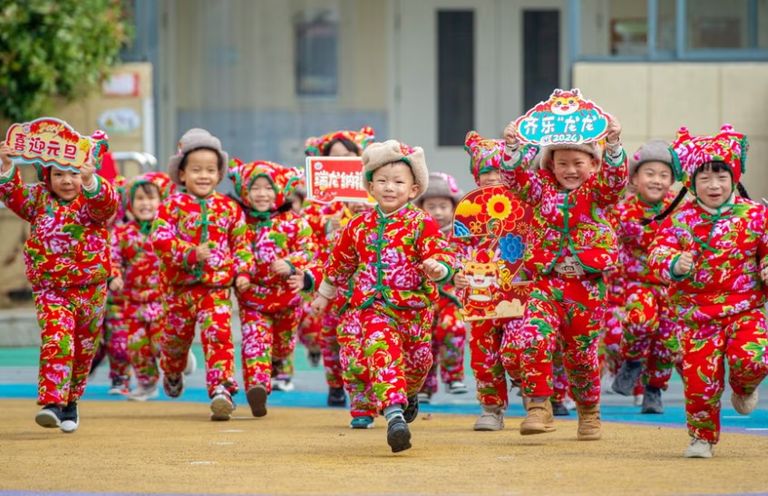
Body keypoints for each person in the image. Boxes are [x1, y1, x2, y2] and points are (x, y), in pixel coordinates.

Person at [311, 139, 457, 453]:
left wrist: (438, 267)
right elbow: (340, 263)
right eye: (382, 181)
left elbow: (441, 252)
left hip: (415, 308)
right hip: (373, 306)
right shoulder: (357, 226)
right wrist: (325, 293)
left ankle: (411, 391)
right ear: (371, 187)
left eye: (398, 182)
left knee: (418, 362)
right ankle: (394, 416)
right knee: (381, 350)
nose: (390, 187)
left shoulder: (421, 223)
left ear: (414, 189)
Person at [501, 116, 626, 441]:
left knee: (581, 355)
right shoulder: (540, 190)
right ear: (551, 165)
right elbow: (514, 179)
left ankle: (588, 411)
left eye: (578, 163)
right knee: (533, 338)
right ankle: (539, 406)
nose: (571, 170)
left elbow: (615, 181)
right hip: (547, 283)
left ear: (592, 163)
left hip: (587, 287)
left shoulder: (599, 191)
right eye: (563, 163)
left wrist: (612, 145)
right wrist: (513, 147)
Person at [649, 124, 768, 458]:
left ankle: (744, 388)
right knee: (700, 381)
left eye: (721, 176)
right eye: (704, 178)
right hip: (696, 315)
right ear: (691, 182)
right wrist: (674, 262)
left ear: (734, 177)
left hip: (746, 308)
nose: (714, 185)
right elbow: (657, 253)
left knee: (753, 359)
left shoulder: (756, 215)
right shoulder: (679, 220)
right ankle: (702, 438)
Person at [0, 142, 119, 433]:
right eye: (58, 175)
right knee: (58, 339)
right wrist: (5, 166)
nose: (67, 181)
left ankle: (71, 402)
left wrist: (91, 180)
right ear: (47, 177)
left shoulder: (92, 202)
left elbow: (108, 204)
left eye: (74, 174)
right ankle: (52, 402)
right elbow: (13, 194)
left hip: (91, 288)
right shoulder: (38, 199)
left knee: (83, 349)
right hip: (51, 288)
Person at [151, 128, 252, 421]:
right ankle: (171, 371)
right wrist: (190, 252)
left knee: (219, 335)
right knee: (174, 341)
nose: (204, 175)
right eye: (196, 170)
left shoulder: (229, 209)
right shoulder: (171, 206)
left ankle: (222, 390)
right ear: (182, 174)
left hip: (216, 288)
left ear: (220, 174)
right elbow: (159, 239)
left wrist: (242, 272)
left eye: (210, 170)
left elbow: (241, 245)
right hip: (179, 289)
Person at [229, 159, 315, 416]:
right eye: (255, 188)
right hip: (253, 298)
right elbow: (235, 250)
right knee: (255, 342)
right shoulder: (240, 221)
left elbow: (310, 250)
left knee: (282, 345)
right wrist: (241, 273)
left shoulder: (294, 222)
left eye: (268, 187)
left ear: (279, 190)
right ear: (245, 190)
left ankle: (278, 362)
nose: (262, 194)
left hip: (288, 299)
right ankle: (257, 387)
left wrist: (291, 263)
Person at [610, 140, 681, 414]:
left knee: (667, 341)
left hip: (671, 287)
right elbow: (607, 236)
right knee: (640, 321)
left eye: (664, 175)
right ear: (635, 179)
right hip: (637, 283)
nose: (656, 180)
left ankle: (654, 390)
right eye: (649, 173)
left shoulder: (677, 211)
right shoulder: (623, 211)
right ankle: (631, 362)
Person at [110, 172, 176, 401]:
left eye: (151, 198)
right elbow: (113, 258)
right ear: (130, 204)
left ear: (162, 202)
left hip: (162, 300)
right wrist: (114, 276)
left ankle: (177, 366)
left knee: (162, 344)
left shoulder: (168, 230)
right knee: (137, 345)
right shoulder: (122, 233)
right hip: (133, 301)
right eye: (139, 198)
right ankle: (147, 384)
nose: (146, 203)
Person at [415, 172, 468, 403]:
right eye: (432, 206)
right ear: (422, 208)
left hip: (451, 298)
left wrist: (461, 275)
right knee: (423, 339)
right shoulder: (416, 233)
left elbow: (469, 260)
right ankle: (424, 386)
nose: (437, 212)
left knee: (453, 328)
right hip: (423, 297)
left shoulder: (462, 234)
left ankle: (453, 376)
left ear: (453, 207)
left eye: (443, 206)